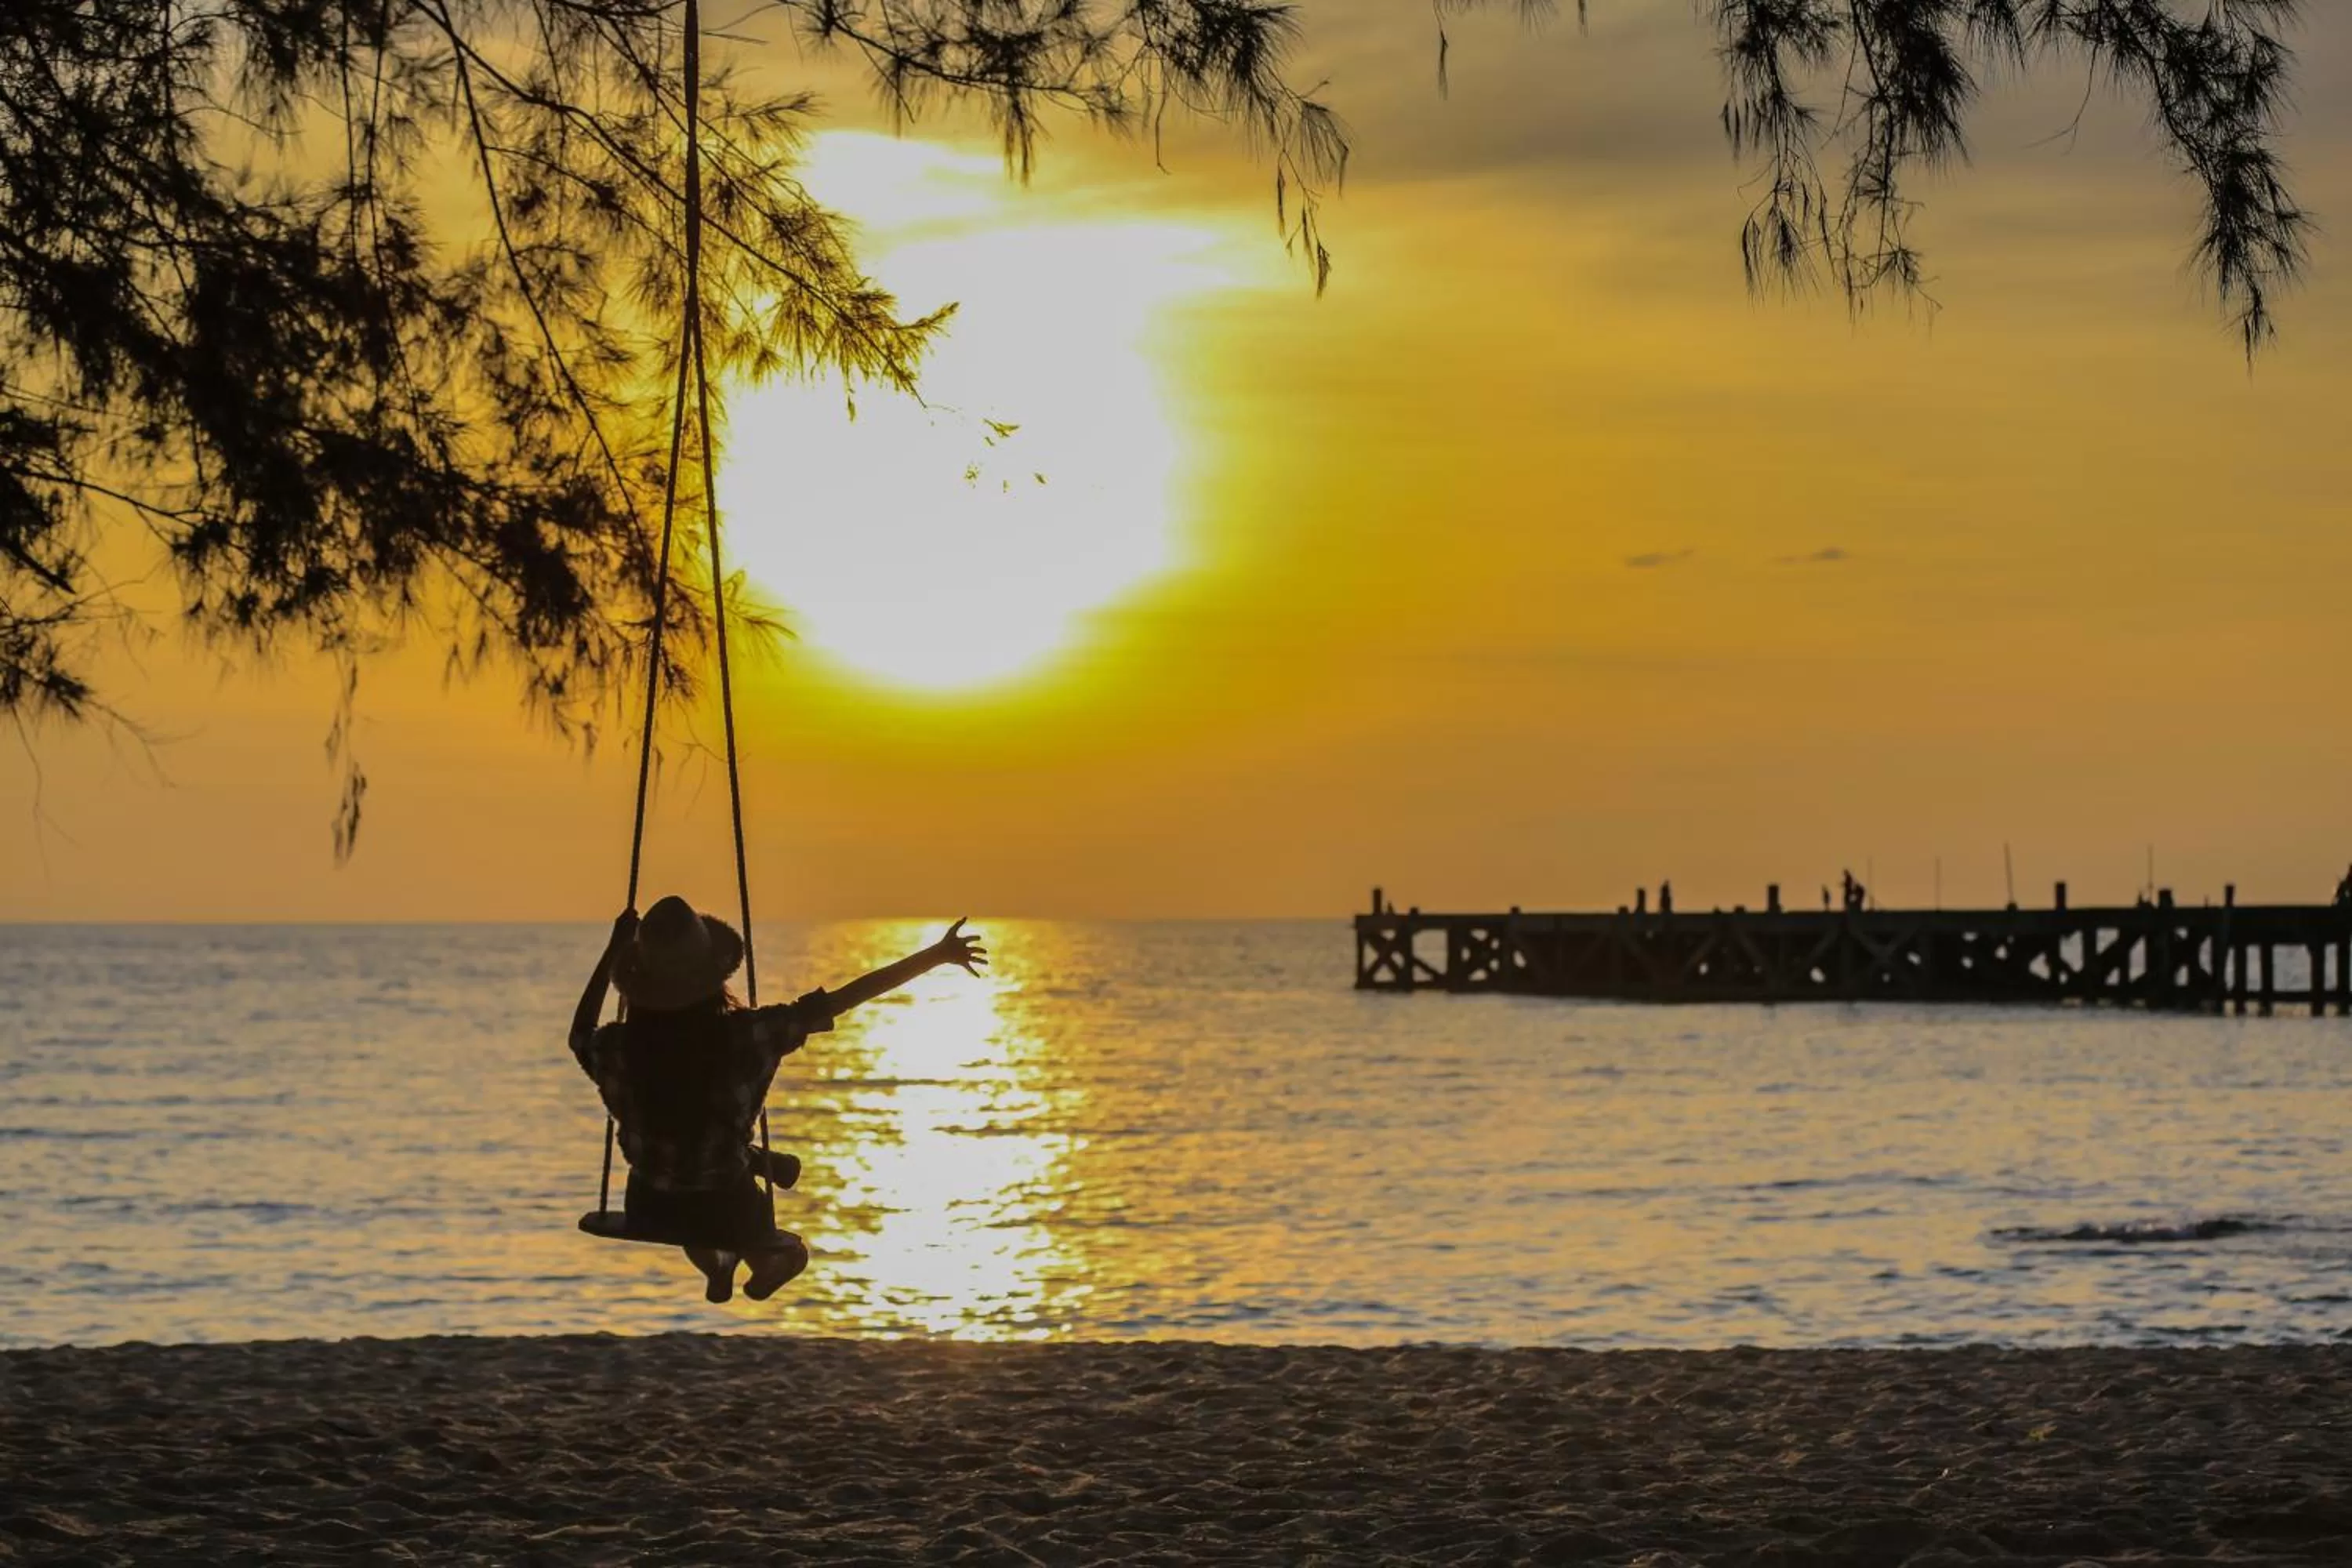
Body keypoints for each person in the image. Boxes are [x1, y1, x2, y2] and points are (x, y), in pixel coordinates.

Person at [568, 896, 987, 1304]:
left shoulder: (615, 1049)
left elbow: (580, 1033)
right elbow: (845, 998)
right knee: (777, 1241)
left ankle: (719, 1266)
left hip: (649, 1206)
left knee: (689, 1186)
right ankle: (767, 1256)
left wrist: (612, 950)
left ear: (639, 981)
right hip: (727, 1207)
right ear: (713, 977)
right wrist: (936, 955)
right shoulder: (749, 1036)